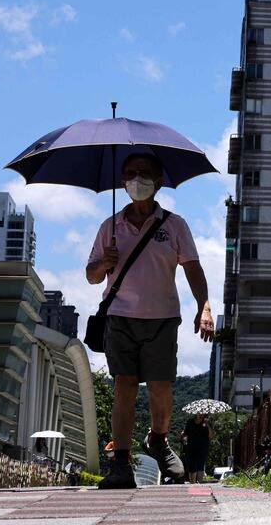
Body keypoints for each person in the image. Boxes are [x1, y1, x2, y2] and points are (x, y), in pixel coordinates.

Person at [86, 152, 215, 489]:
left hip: (162, 318)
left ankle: (158, 438)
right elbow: (91, 276)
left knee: (161, 387)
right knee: (124, 385)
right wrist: (104, 262)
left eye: (145, 173)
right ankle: (121, 463)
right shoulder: (110, 227)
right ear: (122, 182)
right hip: (119, 316)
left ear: (159, 182)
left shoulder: (174, 225)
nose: (137, 179)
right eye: (130, 173)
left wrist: (204, 307)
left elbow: (193, 268)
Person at [181, 413, 212, 483]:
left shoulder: (207, 423)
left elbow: (211, 436)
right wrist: (182, 434)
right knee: (191, 466)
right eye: (199, 413)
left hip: (203, 448)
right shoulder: (190, 422)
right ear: (196, 413)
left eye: (202, 413)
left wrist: (208, 425)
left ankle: (200, 483)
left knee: (200, 465)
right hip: (191, 447)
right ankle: (192, 483)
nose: (201, 414)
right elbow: (185, 433)